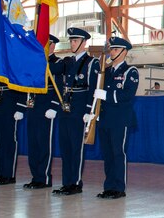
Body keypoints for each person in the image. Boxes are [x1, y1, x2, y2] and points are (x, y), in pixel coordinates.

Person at [52, 28, 100, 196]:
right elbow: (52, 71)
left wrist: (89, 110)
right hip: (66, 108)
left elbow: (93, 88)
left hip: (80, 109)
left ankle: (76, 183)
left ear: (83, 42)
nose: (72, 43)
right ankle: (67, 182)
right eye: (71, 40)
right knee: (65, 147)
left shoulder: (91, 62)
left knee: (76, 148)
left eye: (75, 40)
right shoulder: (67, 62)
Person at [90, 36, 139, 200]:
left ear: (124, 52)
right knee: (108, 154)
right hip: (104, 118)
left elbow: (127, 94)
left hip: (120, 119)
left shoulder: (130, 71)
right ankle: (109, 186)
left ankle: (119, 187)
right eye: (112, 49)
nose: (112, 52)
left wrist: (106, 95)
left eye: (116, 49)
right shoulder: (107, 71)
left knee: (118, 153)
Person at [24, 34, 65, 189]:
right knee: (33, 143)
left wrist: (54, 106)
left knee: (43, 143)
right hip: (34, 105)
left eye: (47, 44)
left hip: (47, 106)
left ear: (53, 46)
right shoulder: (34, 61)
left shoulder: (58, 62)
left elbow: (60, 85)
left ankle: (44, 177)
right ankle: (36, 176)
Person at [0, 61, 26, 185]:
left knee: (9, 141)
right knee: (0, 142)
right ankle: (0, 174)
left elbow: (22, 82)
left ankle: (9, 174)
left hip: (11, 103)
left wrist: (20, 107)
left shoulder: (14, 56)